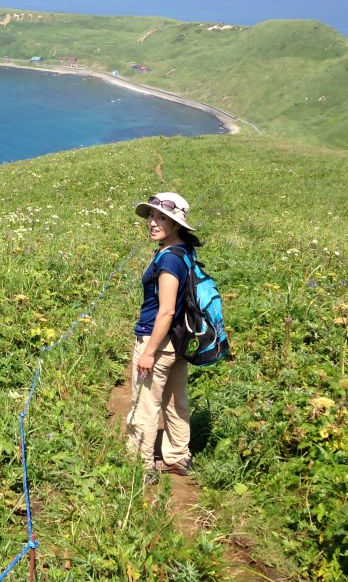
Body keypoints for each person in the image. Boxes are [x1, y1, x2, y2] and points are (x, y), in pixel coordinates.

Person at [126, 192, 201, 482]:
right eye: (151, 216)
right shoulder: (183, 251)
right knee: (174, 401)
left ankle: (141, 466)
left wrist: (148, 352)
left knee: (145, 403)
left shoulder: (169, 259)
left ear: (177, 223)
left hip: (157, 341)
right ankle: (177, 457)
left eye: (161, 218)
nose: (152, 222)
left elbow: (167, 311)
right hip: (178, 342)